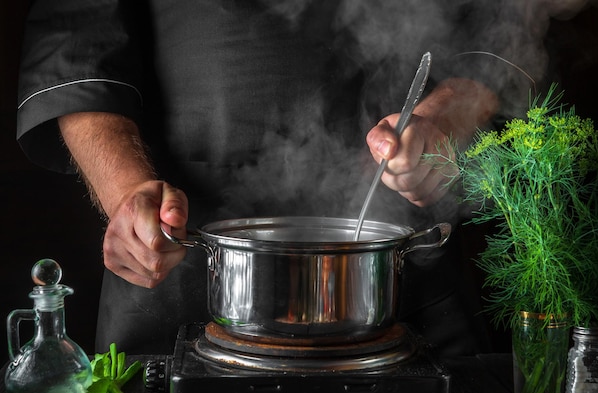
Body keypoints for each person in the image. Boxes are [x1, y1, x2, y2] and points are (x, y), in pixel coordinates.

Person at [16, 0, 536, 355]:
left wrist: (442, 120)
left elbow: (500, 31)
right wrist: (128, 192)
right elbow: (74, 41)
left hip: (403, 275)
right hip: (180, 271)